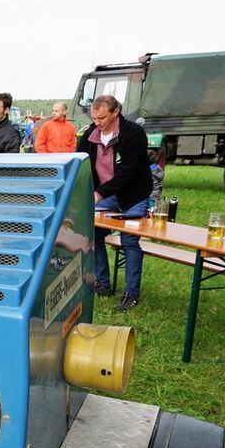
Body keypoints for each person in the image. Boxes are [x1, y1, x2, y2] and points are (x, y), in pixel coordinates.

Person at [77, 94, 153, 311]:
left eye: (101, 118)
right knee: (93, 234)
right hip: (105, 194)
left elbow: (128, 171)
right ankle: (102, 283)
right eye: (94, 118)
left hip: (133, 195)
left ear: (115, 112)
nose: (97, 122)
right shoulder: (91, 134)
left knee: (129, 241)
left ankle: (131, 293)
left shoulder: (133, 133)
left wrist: (99, 194)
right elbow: (78, 161)